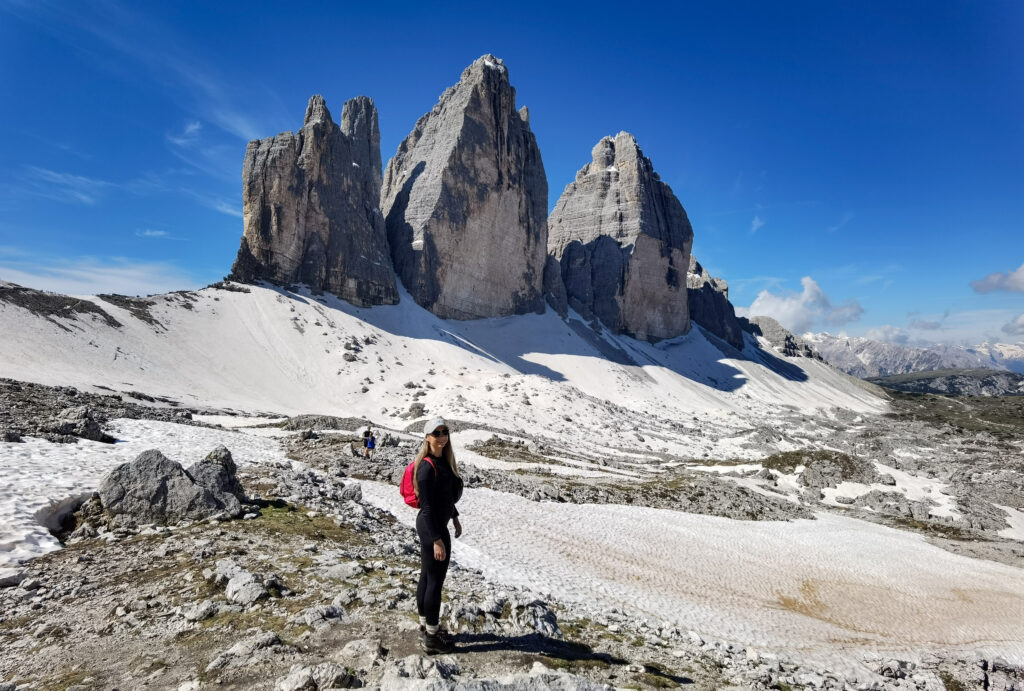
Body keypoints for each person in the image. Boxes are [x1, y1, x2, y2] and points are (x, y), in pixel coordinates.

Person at [413, 417, 463, 655]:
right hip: (431, 526)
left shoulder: (443, 461)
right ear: (427, 437)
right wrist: (436, 539)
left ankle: (425, 627)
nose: (442, 436)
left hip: (436, 524)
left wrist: (454, 516)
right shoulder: (426, 466)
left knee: (427, 576)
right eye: (437, 433)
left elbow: (444, 496)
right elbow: (428, 506)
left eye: (445, 431)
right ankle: (433, 638)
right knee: (435, 581)